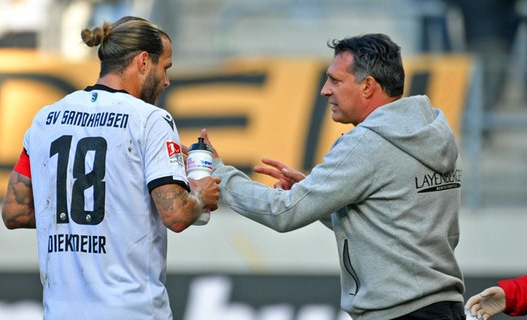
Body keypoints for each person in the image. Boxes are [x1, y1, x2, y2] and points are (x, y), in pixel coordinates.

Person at [198, 33, 466, 319]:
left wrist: (218, 173)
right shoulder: (433, 132)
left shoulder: (366, 144)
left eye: (336, 80)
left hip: (399, 313)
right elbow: (391, 219)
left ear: (367, 86)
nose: (325, 90)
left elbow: (283, 212)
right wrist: (321, 196)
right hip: (446, 307)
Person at [1, 16, 221, 319]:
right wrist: (199, 193)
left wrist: (93, 212)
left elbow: (15, 211)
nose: (167, 80)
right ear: (144, 61)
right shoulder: (151, 120)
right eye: (165, 67)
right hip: (132, 310)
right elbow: (178, 214)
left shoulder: (45, 119)